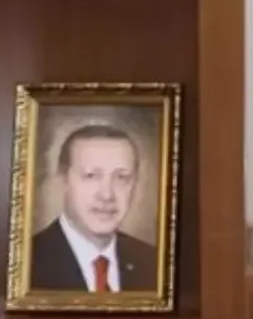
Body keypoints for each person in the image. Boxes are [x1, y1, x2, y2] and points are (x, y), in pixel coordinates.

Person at [28, 123, 157, 292]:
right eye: (91, 176)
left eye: (121, 177)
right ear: (63, 180)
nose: (107, 195)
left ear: (134, 184)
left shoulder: (153, 262)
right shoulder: (27, 264)